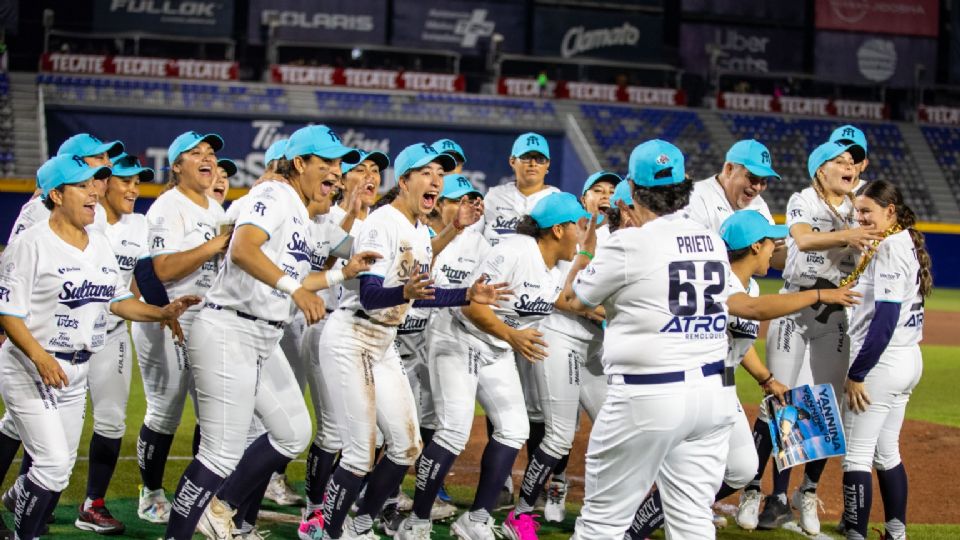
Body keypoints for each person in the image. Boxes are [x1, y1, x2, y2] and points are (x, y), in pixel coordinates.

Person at [162, 124, 374, 540]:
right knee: (219, 453)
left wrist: (341, 273)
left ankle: (220, 507)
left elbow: (296, 276)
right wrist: (295, 289)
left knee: (293, 433)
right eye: (326, 162)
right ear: (300, 163)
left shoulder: (301, 211)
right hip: (229, 328)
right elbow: (242, 249)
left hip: (262, 336)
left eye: (339, 163)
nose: (336, 171)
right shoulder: (275, 194)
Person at [623, 209, 860, 539]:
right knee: (689, 473)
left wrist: (766, 378)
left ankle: (669, 510)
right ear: (755, 246)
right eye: (771, 243)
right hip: (690, 388)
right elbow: (752, 310)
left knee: (742, 469)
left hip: (722, 388)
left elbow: (740, 341)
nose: (776, 249)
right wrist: (820, 294)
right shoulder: (719, 279)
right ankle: (636, 528)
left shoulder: (750, 285)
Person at [316, 143, 509, 540]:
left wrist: (468, 294)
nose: (436, 180)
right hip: (352, 335)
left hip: (382, 341)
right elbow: (371, 295)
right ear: (403, 181)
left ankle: (360, 525)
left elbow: (421, 295)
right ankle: (324, 531)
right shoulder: (381, 223)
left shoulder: (420, 231)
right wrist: (406, 291)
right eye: (425, 173)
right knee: (359, 454)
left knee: (406, 446)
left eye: (440, 174)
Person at [0, 154, 197, 540]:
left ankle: (21, 513)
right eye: (82, 185)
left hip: (76, 370)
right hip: (31, 367)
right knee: (52, 465)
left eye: (95, 183)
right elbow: (7, 312)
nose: (94, 191)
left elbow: (118, 301)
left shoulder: (99, 244)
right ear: (56, 195)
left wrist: (160, 312)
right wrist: (39, 357)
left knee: (60, 468)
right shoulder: (31, 244)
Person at [566, 139, 736, 538]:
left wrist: (586, 250)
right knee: (693, 520)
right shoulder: (711, 239)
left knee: (602, 524)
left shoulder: (628, 243)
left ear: (633, 187)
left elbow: (573, 298)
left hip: (649, 394)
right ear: (685, 184)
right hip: (714, 394)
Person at [394, 191, 588, 540]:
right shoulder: (514, 251)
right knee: (453, 430)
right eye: (578, 225)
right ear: (558, 230)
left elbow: (565, 299)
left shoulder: (554, 267)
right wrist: (513, 336)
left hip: (496, 345)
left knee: (514, 429)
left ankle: (476, 519)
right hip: (459, 336)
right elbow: (472, 305)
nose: (582, 232)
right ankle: (416, 521)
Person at [748, 140, 883, 535]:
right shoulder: (802, 199)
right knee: (782, 400)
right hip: (794, 305)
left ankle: (806, 491)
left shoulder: (858, 206)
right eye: (839, 161)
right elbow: (804, 239)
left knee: (825, 405)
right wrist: (850, 235)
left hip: (834, 312)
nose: (849, 166)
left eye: (852, 161)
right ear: (820, 169)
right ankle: (765, 493)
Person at [504, 171, 618, 536]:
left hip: (595, 347)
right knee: (558, 436)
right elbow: (564, 299)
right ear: (584, 198)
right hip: (562, 340)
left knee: (616, 429)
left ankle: (605, 512)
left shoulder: (617, 238)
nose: (606, 197)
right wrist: (614, 314)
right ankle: (520, 515)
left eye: (612, 191)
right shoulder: (563, 238)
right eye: (598, 190)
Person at [132, 131, 230, 524]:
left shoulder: (215, 208)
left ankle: (202, 496)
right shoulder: (167, 207)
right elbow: (160, 269)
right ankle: (150, 494)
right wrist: (212, 246)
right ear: (176, 165)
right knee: (165, 409)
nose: (207, 158)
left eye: (211, 153)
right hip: (166, 316)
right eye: (196, 153)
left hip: (206, 318)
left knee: (212, 411)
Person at [297, 148, 390, 538]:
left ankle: (341, 503)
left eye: (375, 171)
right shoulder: (326, 216)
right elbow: (317, 268)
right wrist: (349, 214)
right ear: (341, 179)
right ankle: (314, 510)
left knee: (378, 434)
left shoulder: (384, 221)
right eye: (359, 170)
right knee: (333, 431)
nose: (370, 176)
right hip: (327, 327)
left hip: (370, 334)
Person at [841, 180, 931, 540]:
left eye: (867, 211)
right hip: (907, 358)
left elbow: (886, 318)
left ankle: (856, 534)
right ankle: (896, 532)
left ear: (890, 211)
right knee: (886, 452)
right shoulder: (902, 239)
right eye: (857, 211)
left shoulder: (890, 247)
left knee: (857, 456)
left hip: (883, 362)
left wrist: (858, 372)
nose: (860, 218)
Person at [73, 153, 156, 535]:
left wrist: (161, 312)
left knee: (111, 420)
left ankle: (93, 504)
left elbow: (141, 279)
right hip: (71, 335)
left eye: (138, 183)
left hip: (112, 333)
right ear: (104, 183)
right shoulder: (86, 219)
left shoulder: (139, 223)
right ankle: (25, 494)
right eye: (126, 181)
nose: (134, 189)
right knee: (50, 428)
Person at [480, 132, 559, 507]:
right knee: (499, 401)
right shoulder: (492, 198)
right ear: (512, 161)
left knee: (538, 403)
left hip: (537, 313)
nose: (532, 163)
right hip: (496, 309)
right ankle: (500, 483)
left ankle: (534, 483)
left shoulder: (557, 200)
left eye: (539, 158)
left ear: (548, 165)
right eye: (525, 157)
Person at [7, 133, 121, 243]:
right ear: (73, 162)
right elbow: (16, 253)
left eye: (108, 158)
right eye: (100, 158)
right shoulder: (44, 207)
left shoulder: (99, 211)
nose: (109, 164)